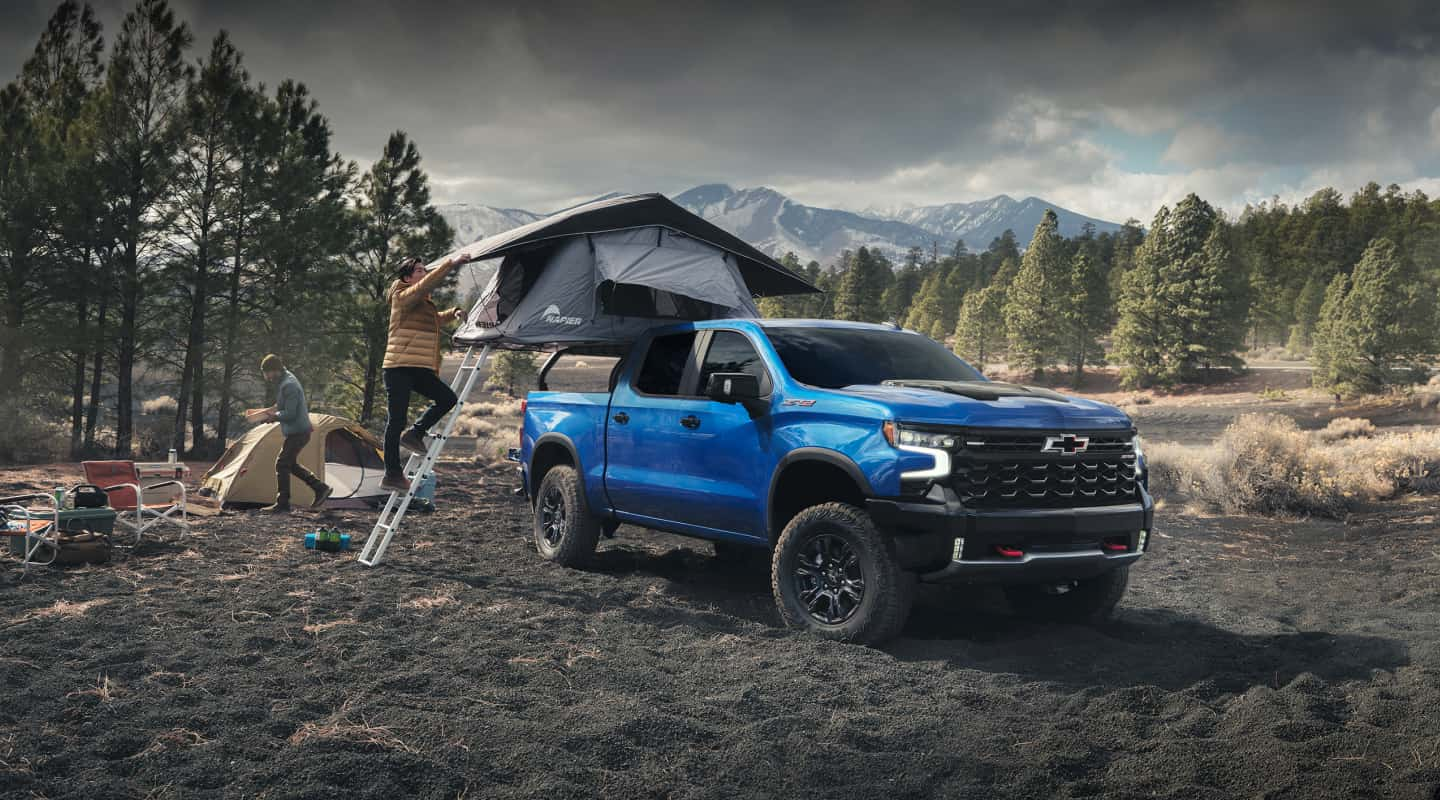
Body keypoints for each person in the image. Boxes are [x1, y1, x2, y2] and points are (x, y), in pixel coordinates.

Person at [381, 254, 468, 491]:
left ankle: (416, 433)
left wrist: (454, 312)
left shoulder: (420, 303)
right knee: (396, 420)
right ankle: (392, 474)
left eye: (423, 269)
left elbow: (434, 320)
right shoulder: (402, 297)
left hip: (416, 367)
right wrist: (451, 264)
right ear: (407, 278)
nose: (424, 273)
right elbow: (425, 286)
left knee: (447, 398)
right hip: (398, 367)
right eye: (419, 270)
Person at [256, 354, 333, 513]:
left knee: (282, 463)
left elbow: (290, 413)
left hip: (299, 432)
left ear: (274, 370)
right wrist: (268, 411)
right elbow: (284, 404)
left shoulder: (288, 384)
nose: (266, 377)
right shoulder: (285, 380)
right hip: (298, 431)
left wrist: (273, 417)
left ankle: (283, 504)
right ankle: (320, 488)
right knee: (289, 463)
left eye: (266, 373)